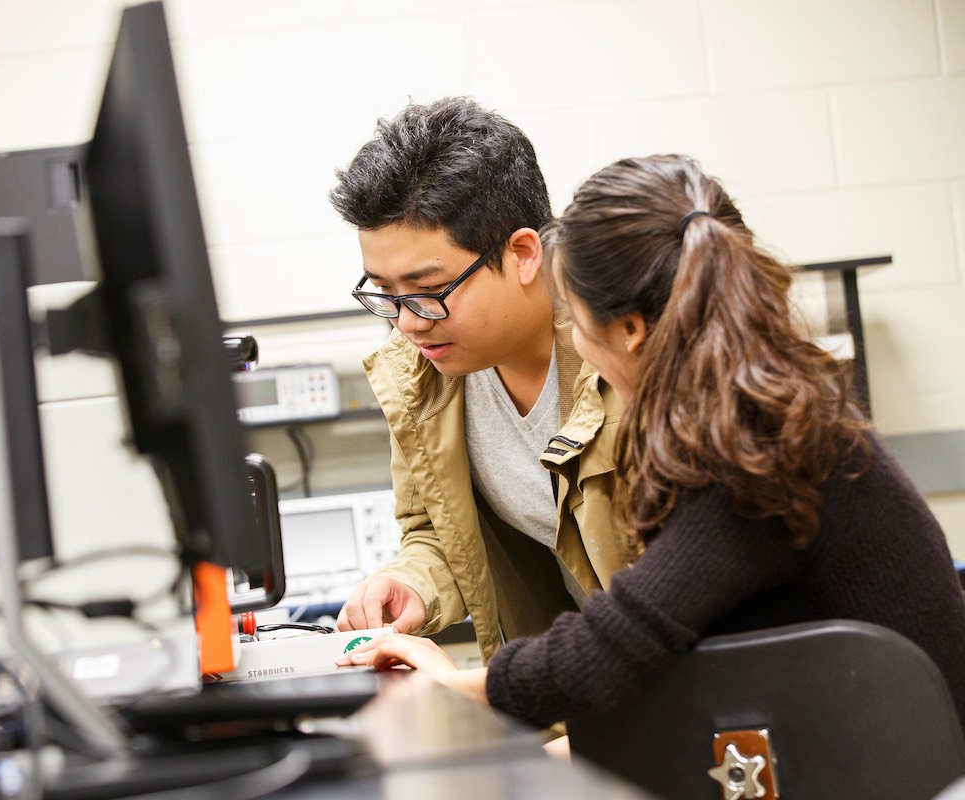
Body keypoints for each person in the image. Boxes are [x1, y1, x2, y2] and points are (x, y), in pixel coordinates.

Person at [337, 153, 965, 732]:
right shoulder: (753, 412)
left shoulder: (753, 451)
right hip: (828, 726)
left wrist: (451, 686)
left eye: (576, 326)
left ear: (631, 330)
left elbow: (616, 644)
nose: (577, 349)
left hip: (892, 752)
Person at [327, 96, 630, 663]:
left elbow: (678, 597)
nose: (409, 321)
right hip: (584, 686)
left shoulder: (625, 362)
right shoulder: (425, 372)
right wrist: (412, 584)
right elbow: (436, 530)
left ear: (521, 254)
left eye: (428, 289)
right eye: (385, 293)